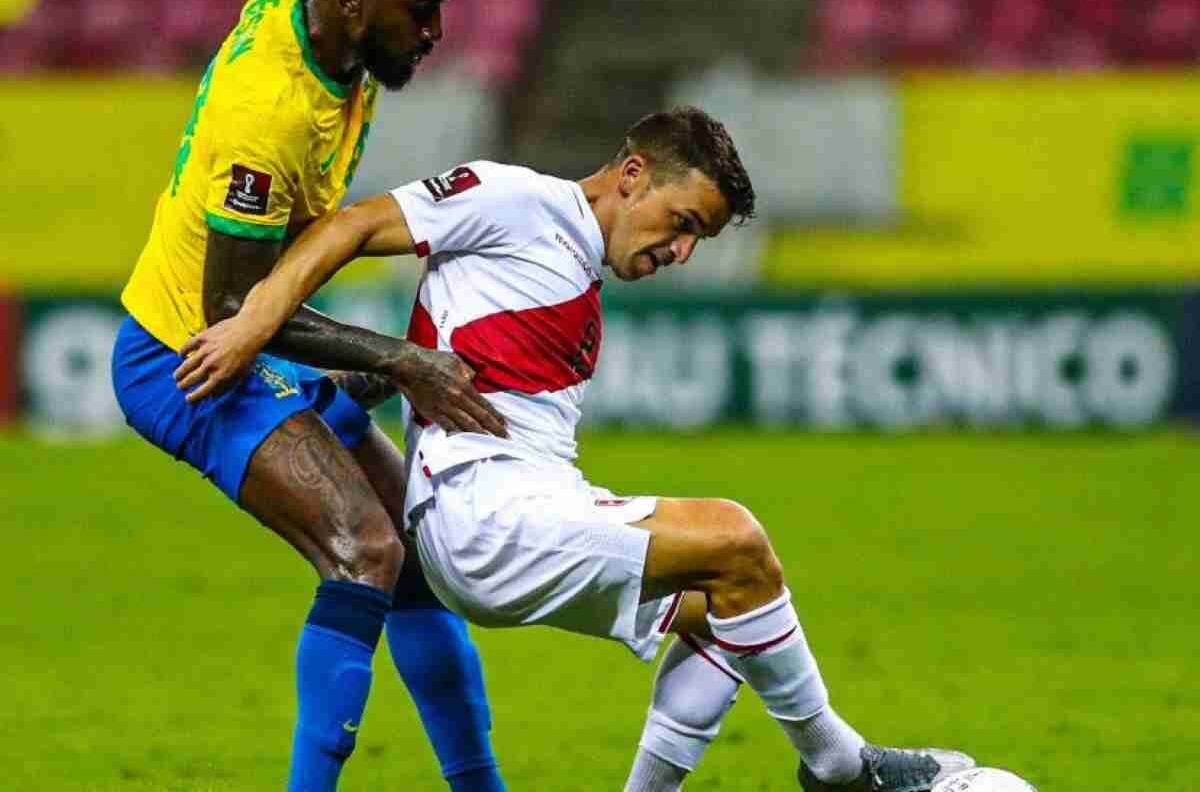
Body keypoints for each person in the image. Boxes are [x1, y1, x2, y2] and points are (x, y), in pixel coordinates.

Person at [174, 106, 976, 791]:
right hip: (483, 512)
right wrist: (253, 320)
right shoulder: (517, 199)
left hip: (521, 506)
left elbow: (453, 336)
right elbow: (356, 223)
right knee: (737, 538)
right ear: (632, 174)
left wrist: (384, 380)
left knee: (738, 616)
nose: (682, 252)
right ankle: (840, 766)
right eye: (683, 223)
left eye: (700, 239)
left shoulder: (571, 278)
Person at [110, 1, 509, 790]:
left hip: (257, 339)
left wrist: (357, 361)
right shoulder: (270, 107)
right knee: (367, 552)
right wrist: (400, 360)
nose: (434, 32)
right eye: (419, 12)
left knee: (416, 555)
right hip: (187, 357)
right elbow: (234, 313)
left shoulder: (342, 50)